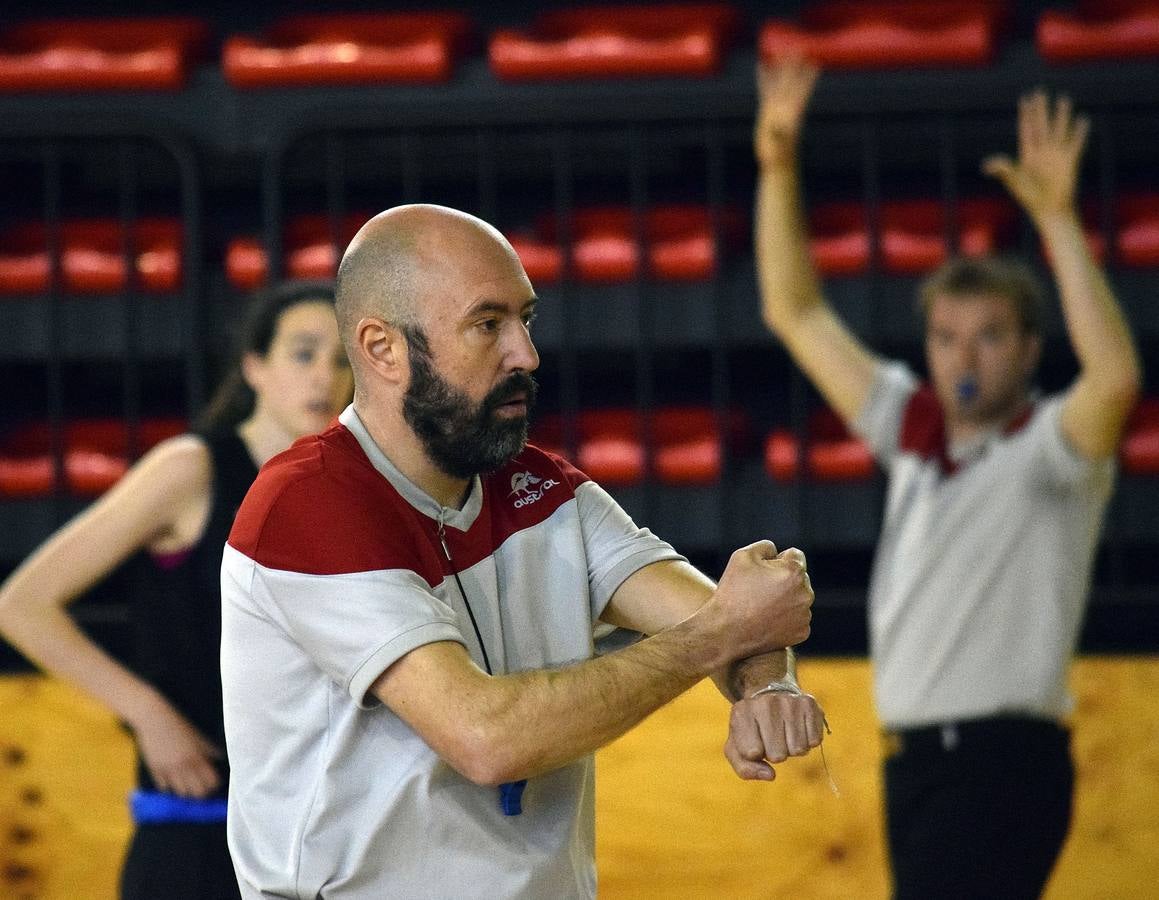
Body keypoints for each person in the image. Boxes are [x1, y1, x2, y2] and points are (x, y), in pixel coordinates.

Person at [220, 203, 827, 899]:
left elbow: (727, 611)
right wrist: (720, 637)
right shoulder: (309, 503)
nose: (525, 355)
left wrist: (763, 682)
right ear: (383, 348)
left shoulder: (540, 486)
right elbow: (485, 738)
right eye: (487, 325)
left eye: (525, 318)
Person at [754, 58, 1143, 899]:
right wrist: (777, 167)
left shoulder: (1047, 448)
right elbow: (797, 311)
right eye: (946, 336)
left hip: (998, 762)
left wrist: (1060, 221)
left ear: (1030, 350)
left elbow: (1113, 380)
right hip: (921, 762)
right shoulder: (914, 429)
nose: (963, 356)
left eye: (990, 336)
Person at [0, 280, 353, 900]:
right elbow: (21, 605)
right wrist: (146, 712)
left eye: (342, 359)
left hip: (314, 839)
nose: (324, 375)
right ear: (255, 367)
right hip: (195, 829)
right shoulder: (191, 468)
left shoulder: (345, 487)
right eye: (303, 352)